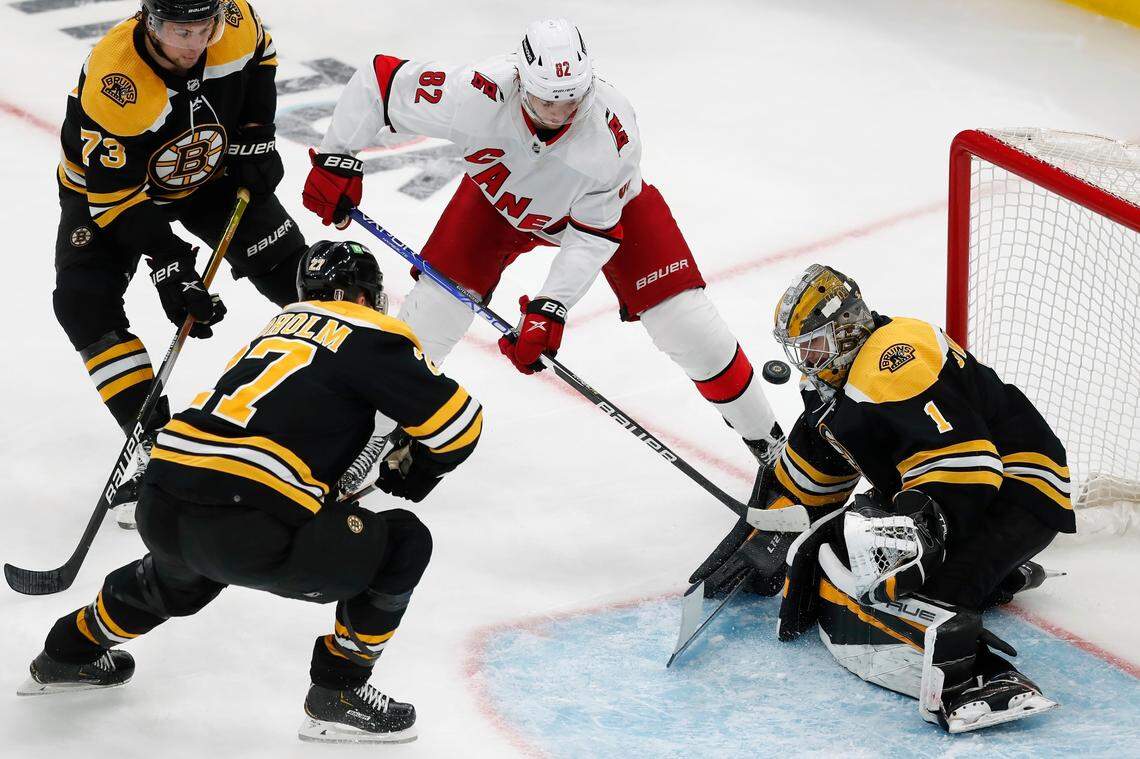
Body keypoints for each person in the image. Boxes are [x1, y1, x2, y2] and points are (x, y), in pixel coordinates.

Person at [19, 241, 483, 744]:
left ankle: (69, 650)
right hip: (250, 525)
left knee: (185, 570)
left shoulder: (276, 328)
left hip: (163, 497)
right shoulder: (371, 334)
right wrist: (416, 472)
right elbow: (459, 426)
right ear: (360, 295)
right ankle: (340, 691)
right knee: (404, 540)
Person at [301, 17, 785, 491]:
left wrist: (550, 308)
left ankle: (771, 448)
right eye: (546, 100)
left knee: (689, 325)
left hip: (611, 215)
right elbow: (378, 81)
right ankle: (372, 437)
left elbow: (592, 235)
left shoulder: (611, 136)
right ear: (520, 80)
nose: (559, 113)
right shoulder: (475, 93)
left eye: (571, 99)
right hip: (496, 205)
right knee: (426, 321)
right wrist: (335, 156)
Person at [709, 264, 1073, 733]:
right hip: (960, 492)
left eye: (814, 343)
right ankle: (994, 573)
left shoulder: (892, 357)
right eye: (798, 348)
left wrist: (922, 529)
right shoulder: (833, 380)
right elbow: (817, 466)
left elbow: (968, 460)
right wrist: (767, 531)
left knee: (912, 598)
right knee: (856, 563)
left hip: (1018, 489)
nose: (805, 357)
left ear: (845, 330)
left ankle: (981, 680)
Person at [54, 0, 308, 527]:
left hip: (209, 173)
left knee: (296, 275)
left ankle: (369, 403)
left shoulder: (235, 23)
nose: (195, 43)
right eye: (180, 30)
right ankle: (155, 446)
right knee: (83, 305)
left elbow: (263, 56)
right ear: (150, 22)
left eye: (205, 28)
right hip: (116, 193)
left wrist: (258, 132)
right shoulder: (116, 81)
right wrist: (169, 262)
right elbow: (116, 199)